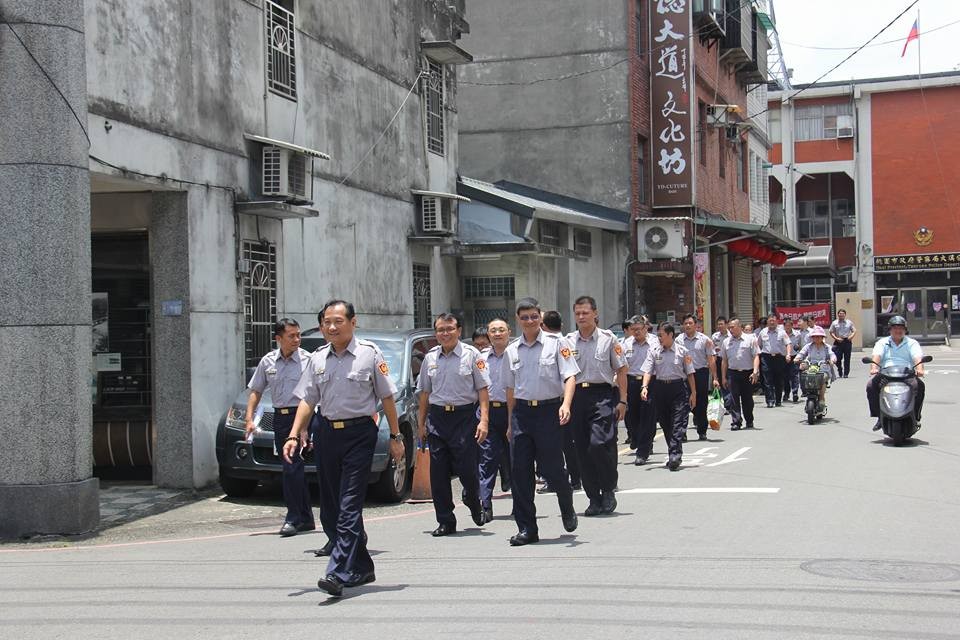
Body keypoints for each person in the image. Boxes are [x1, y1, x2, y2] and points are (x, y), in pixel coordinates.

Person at [284, 300, 404, 598]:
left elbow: (387, 397)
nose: (332, 327)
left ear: (353, 322)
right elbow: (308, 400)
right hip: (327, 435)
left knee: (349, 505)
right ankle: (362, 566)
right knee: (331, 506)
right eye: (327, 322)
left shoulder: (369, 354)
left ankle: (337, 572)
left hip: (360, 434)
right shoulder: (317, 358)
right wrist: (293, 434)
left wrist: (396, 437)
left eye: (338, 321)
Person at [502, 298, 580, 546]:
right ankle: (527, 528)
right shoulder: (511, 350)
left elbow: (569, 376)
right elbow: (510, 390)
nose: (529, 321)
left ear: (540, 317)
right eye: (524, 317)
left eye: (534, 316)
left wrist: (565, 404)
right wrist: (510, 423)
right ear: (518, 319)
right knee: (520, 472)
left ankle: (566, 504)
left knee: (553, 469)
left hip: (549, 412)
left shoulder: (557, 344)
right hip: (522, 414)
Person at [417, 313, 489, 536]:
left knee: (467, 470)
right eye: (440, 330)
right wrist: (421, 424)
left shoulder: (472, 355)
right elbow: (424, 394)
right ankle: (446, 520)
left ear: (459, 331)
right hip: (438, 419)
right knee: (438, 473)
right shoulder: (430, 358)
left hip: (465, 417)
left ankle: (473, 498)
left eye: (449, 329)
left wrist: (484, 420)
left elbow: (483, 390)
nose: (445, 334)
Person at [246, 318, 315, 537]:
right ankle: (305, 518)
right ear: (278, 339)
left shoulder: (308, 360)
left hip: (302, 418)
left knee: (290, 468)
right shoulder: (268, 362)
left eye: (298, 335)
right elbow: (256, 390)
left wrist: (304, 427)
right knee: (293, 468)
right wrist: (249, 419)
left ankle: (293, 518)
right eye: (291, 336)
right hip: (280, 419)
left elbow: (314, 395)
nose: (297, 339)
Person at [566, 296, 627, 515]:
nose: (581, 317)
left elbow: (621, 370)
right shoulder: (568, 342)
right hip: (576, 398)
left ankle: (608, 488)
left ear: (595, 314)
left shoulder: (609, 339)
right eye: (578, 313)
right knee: (582, 449)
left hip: (602, 395)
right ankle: (593, 498)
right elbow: (563, 373)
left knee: (599, 443)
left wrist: (622, 400)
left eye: (585, 312)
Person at [640, 323, 696, 471]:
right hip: (660, 389)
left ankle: (674, 455)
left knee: (678, 422)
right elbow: (648, 370)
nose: (659, 338)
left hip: (678, 388)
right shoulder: (654, 351)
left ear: (671, 335)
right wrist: (644, 387)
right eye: (658, 335)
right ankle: (674, 452)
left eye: (661, 335)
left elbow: (690, 373)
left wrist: (693, 393)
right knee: (665, 423)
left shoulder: (683, 351)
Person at [539, 309, 580, 493]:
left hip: (560, 402)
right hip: (561, 401)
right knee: (565, 444)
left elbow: (570, 374)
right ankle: (573, 477)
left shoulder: (562, 343)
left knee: (558, 444)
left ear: (543, 326)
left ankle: (562, 479)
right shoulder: (571, 340)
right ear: (561, 325)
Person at [477, 318, 512, 522]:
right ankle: (486, 505)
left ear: (509, 332)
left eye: (501, 330)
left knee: (516, 461)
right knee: (487, 460)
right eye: (493, 331)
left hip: (513, 412)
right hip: (488, 413)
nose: (497, 334)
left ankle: (521, 504)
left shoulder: (517, 354)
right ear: (488, 335)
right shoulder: (481, 358)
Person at [867, 315, 926, 431]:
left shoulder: (912, 343)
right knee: (870, 386)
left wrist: (920, 369)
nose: (898, 331)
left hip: (906, 375)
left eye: (901, 328)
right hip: (886, 375)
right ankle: (879, 416)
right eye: (895, 328)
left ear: (905, 330)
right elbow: (876, 356)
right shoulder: (882, 342)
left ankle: (916, 416)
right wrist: (874, 368)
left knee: (919, 386)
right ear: (890, 329)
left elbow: (917, 357)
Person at [622, 315, 658, 466]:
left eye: (638, 329)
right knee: (631, 417)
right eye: (633, 329)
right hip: (631, 382)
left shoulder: (655, 342)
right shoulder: (626, 343)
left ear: (645, 328)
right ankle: (638, 439)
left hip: (650, 382)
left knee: (647, 417)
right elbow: (620, 365)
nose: (636, 332)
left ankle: (642, 452)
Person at [678, 314, 719, 441]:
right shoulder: (678, 340)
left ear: (696, 325)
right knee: (683, 404)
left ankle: (702, 430)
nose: (688, 325)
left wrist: (715, 378)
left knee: (701, 404)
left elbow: (711, 360)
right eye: (686, 323)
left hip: (700, 373)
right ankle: (682, 432)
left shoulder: (705, 340)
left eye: (690, 323)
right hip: (684, 376)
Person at [720, 319, 760, 431]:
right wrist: (723, 377)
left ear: (739, 327)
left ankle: (749, 419)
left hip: (747, 373)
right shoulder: (726, 342)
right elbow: (724, 360)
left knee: (747, 399)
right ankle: (736, 421)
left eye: (733, 327)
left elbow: (756, 356)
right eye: (729, 328)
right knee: (733, 399)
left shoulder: (750, 339)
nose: (731, 330)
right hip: (733, 373)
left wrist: (755, 371)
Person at [794, 325, 837, 410]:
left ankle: (821, 398)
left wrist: (832, 361)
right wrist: (797, 358)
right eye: (814, 337)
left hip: (823, 369)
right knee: (804, 375)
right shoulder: (808, 346)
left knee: (823, 379)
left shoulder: (827, 347)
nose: (816, 338)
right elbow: (802, 353)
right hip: (810, 368)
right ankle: (807, 393)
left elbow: (832, 355)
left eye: (819, 336)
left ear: (822, 337)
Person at [712, 316, 741, 427]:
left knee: (729, 382)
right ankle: (726, 402)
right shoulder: (715, 336)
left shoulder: (730, 336)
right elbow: (712, 349)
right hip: (718, 360)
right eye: (718, 324)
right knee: (720, 381)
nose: (720, 326)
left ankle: (728, 404)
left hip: (730, 361)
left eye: (722, 324)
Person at [758, 315, 792, 408]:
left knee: (778, 380)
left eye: (773, 321)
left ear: (776, 321)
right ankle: (770, 400)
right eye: (770, 321)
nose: (772, 322)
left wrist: (788, 354)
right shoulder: (763, 332)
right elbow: (758, 345)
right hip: (766, 358)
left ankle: (778, 400)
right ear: (767, 322)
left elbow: (788, 343)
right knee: (767, 380)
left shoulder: (782, 332)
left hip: (779, 358)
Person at [829, 309, 857, 378]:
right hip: (838, 341)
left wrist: (851, 337)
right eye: (840, 314)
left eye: (842, 314)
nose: (841, 315)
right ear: (838, 314)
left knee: (847, 358)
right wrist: (836, 338)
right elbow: (831, 331)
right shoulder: (834, 323)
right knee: (837, 358)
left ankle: (846, 373)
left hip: (847, 341)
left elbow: (854, 330)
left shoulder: (849, 322)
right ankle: (840, 369)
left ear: (845, 315)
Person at [782, 318, 802, 404]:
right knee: (785, 377)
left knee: (794, 375)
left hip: (794, 357)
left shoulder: (797, 334)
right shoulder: (781, 334)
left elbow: (800, 345)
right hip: (783, 357)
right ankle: (786, 393)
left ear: (792, 325)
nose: (787, 327)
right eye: (786, 325)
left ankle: (795, 393)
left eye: (789, 325)